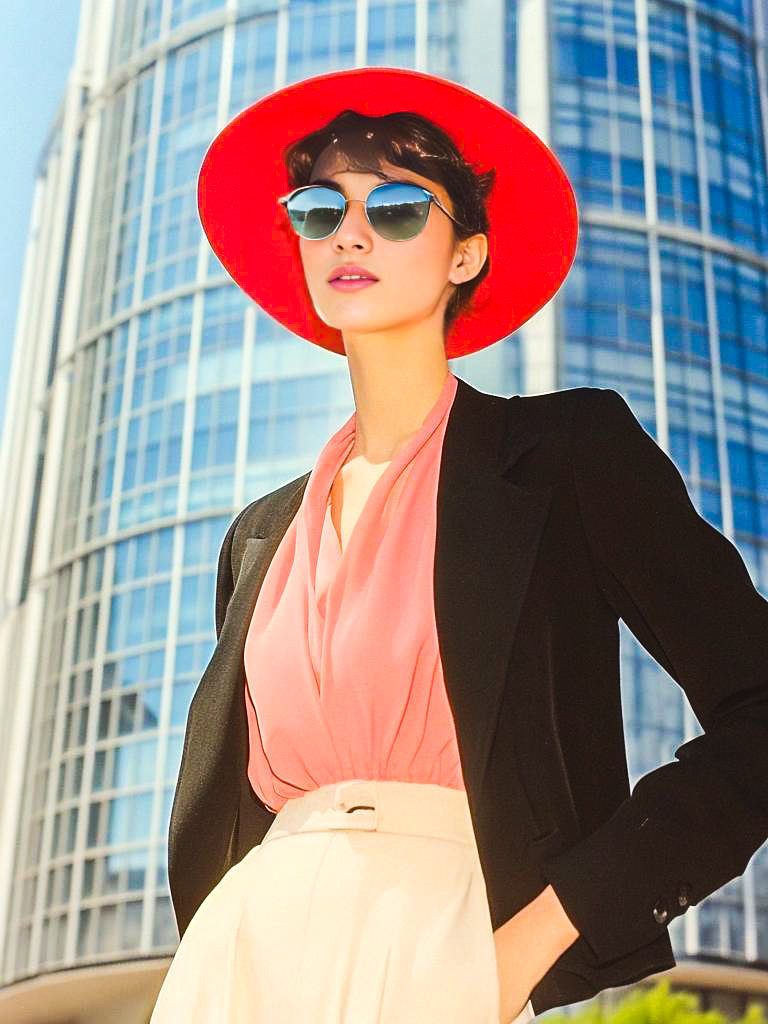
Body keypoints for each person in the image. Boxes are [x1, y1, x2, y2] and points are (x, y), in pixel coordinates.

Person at [152, 68, 768, 1024]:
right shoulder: (260, 536)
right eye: (319, 208)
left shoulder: (569, 457)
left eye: (397, 207)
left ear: (466, 254)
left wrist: (537, 935)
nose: (350, 232)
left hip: (443, 946)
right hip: (240, 959)